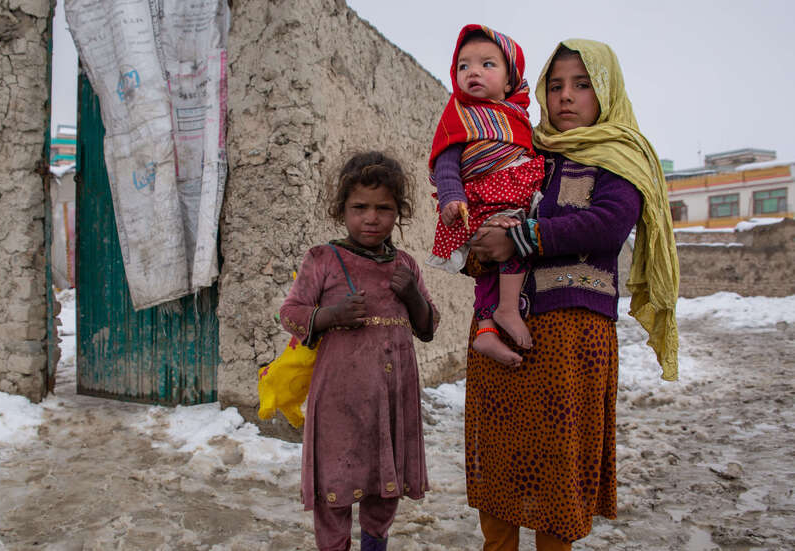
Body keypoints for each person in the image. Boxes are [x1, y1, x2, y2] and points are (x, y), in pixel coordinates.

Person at [462, 40, 680, 550]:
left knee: (558, 473)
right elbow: (480, 215)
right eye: (556, 85)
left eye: (582, 84)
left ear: (605, 91)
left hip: (572, 342)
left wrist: (521, 237)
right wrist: (479, 242)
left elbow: (606, 225)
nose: (566, 96)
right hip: (498, 335)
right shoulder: (520, 151)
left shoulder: (620, 159)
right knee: (500, 466)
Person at [279, 151, 439, 551]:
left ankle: (374, 544)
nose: (371, 218)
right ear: (342, 209)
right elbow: (291, 313)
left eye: (384, 208)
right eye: (360, 208)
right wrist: (331, 315)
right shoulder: (323, 259)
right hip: (339, 399)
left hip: (391, 399)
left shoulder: (405, 265)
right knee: (335, 484)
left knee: (381, 485)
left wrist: (412, 294)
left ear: (398, 212)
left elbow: (428, 328)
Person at [427, 25, 545, 367]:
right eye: (464, 66)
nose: (473, 71)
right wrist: (451, 198)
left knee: (498, 257)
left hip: (514, 199)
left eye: (487, 64)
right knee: (502, 244)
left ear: (510, 81)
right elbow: (447, 165)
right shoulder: (458, 117)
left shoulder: (519, 119)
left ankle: (486, 329)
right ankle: (505, 310)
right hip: (479, 204)